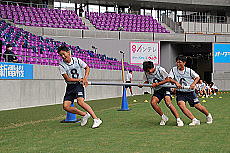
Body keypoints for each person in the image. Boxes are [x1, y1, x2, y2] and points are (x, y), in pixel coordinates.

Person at [57, 45, 102, 128]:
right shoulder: (61, 65)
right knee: (66, 107)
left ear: (68, 52)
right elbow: (68, 79)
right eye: (61, 55)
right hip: (70, 86)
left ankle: (96, 119)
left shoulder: (77, 60)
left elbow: (87, 68)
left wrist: (85, 78)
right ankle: (84, 115)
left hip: (78, 85)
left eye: (64, 54)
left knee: (80, 102)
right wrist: (80, 79)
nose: (63, 56)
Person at [168, 55, 213, 125]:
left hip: (190, 92)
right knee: (181, 105)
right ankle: (194, 120)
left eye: (179, 62)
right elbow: (169, 78)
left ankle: (208, 115)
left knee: (197, 106)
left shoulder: (189, 71)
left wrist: (193, 84)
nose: (178, 64)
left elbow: (197, 77)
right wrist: (175, 82)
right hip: (180, 92)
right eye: (177, 62)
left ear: (184, 63)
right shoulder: (173, 70)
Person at [139, 61, 184, 126]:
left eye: (149, 70)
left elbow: (168, 79)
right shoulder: (146, 73)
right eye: (146, 71)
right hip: (157, 90)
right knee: (153, 103)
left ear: (152, 67)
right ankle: (164, 117)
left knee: (168, 102)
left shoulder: (160, 70)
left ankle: (178, 119)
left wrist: (158, 84)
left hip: (165, 87)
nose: (148, 72)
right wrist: (142, 84)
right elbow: (147, 81)